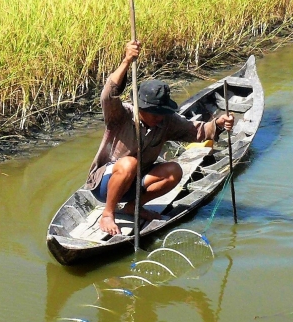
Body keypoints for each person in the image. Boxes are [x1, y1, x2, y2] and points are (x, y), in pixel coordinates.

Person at [87, 41, 233, 236]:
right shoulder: (121, 115)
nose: (159, 117)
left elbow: (196, 131)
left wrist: (219, 124)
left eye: (161, 113)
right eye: (154, 113)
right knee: (129, 163)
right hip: (105, 184)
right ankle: (108, 213)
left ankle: (133, 207)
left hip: (136, 184)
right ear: (141, 107)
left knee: (174, 171)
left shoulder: (166, 121)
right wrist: (127, 60)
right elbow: (108, 95)